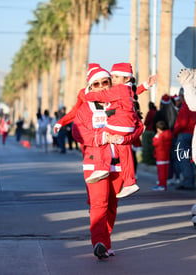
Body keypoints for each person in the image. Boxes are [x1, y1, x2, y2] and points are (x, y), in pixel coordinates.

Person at [72, 66, 143, 259]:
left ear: (111, 84)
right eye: (96, 84)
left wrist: (123, 139)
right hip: (94, 166)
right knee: (98, 204)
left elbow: (138, 126)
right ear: (90, 86)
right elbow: (77, 133)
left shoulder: (120, 102)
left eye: (105, 82)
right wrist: (102, 136)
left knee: (111, 206)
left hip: (118, 164)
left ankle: (106, 242)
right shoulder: (85, 109)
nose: (101, 86)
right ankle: (99, 242)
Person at [83, 63, 153, 198]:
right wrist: (145, 86)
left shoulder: (118, 90)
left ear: (126, 79)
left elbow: (101, 96)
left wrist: (88, 95)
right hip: (129, 126)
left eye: (115, 77)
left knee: (102, 135)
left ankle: (100, 168)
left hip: (117, 124)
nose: (112, 80)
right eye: (112, 77)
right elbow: (135, 92)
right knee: (125, 151)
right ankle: (130, 182)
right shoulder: (127, 90)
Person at [172, 95, 196, 190]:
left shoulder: (185, 107)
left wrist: (174, 132)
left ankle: (187, 181)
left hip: (185, 134)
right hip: (194, 134)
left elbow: (181, 123)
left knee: (183, 158)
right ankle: (190, 181)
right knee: (191, 159)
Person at [151, 121, 173, 191]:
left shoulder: (161, 136)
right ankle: (164, 185)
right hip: (166, 155)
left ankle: (161, 185)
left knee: (161, 172)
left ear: (158, 129)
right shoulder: (169, 133)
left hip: (160, 155)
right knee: (165, 172)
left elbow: (155, 143)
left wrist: (156, 136)